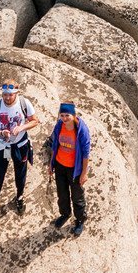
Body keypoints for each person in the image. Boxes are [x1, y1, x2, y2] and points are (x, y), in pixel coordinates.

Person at [0, 81, 39, 227]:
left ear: (17, 93)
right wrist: (1, 132)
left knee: (20, 173)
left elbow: (34, 121)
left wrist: (21, 127)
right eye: (5, 94)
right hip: (2, 146)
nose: (7, 98)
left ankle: (19, 197)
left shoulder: (24, 103)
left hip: (20, 144)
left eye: (10, 95)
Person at [49, 101, 91, 236]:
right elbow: (55, 145)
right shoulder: (59, 125)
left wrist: (84, 173)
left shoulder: (81, 130)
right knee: (62, 194)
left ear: (73, 115)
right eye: (62, 115)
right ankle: (65, 214)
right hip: (60, 165)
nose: (64, 118)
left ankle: (80, 220)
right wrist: (51, 164)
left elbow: (85, 154)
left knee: (77, 196)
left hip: (74, 169)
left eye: (67, 115)